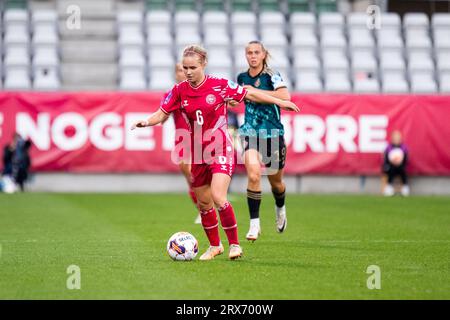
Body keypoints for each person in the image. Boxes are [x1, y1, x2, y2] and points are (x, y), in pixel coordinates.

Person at [132, 44, 299, 260]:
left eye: (192, 67)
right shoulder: (179, 90)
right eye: (185, 67)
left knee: (219, 197)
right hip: (198, 151)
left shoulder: (220, 85)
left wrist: (279, 101)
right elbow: (161, 114)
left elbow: (250, 94)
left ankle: (235, 245)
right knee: (203, 202)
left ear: (203, 64)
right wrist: (146, 121)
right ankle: (215, 246)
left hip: (220, 147)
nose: (188, 72)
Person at [230, 40, 292, 241]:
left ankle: (280, 207)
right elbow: (237, 98)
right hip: (250, 133)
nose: (253, 56)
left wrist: (253, 93)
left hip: (273, 134)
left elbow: (284, 96)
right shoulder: (241, 77)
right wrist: (233, 98)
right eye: (249, 52)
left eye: (257, 52)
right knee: (254, 175)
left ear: (264, 54)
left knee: (277, 184)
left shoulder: (272, 75)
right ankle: (254, 225)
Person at [169, 62, 201, 224]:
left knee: (195, 174)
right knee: (190, 177)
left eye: (186, 70)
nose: (183, 73)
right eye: (180, 71)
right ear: (176, 74)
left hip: (201, 138)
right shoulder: (173, 94)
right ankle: (202, 208)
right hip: (182, 140)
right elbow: (163, 113)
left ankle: (206, 208)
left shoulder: (199, 91)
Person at [382, 130, 409, 196]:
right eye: (395, 138)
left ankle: (405, 188)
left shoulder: (404, 147)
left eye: (398, 138)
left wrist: (399, 162)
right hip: (390, 166)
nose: (396, 139)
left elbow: (406, 159)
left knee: (403, 170)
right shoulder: (388, 147)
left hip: (400, 166)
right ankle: (389, 187)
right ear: (392, 139)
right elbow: (386, 159)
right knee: (391, 170)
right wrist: (392, 162)